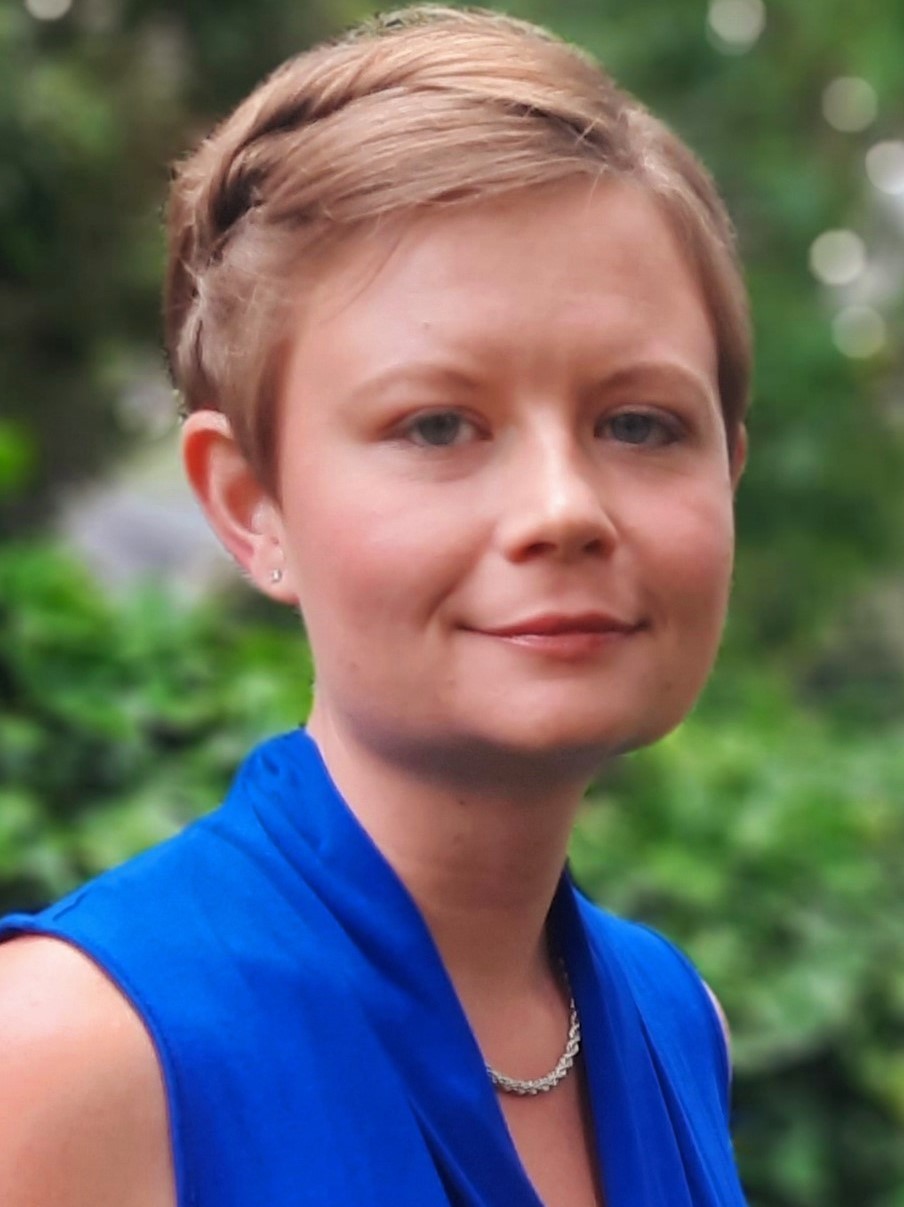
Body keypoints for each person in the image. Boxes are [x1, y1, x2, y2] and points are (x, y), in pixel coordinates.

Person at [0, 7, 751, 1205]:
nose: (563, 507)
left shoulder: (678, 1023)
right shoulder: (74, 1060)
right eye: (438, 425)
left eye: (638, 423)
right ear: (253, 506)